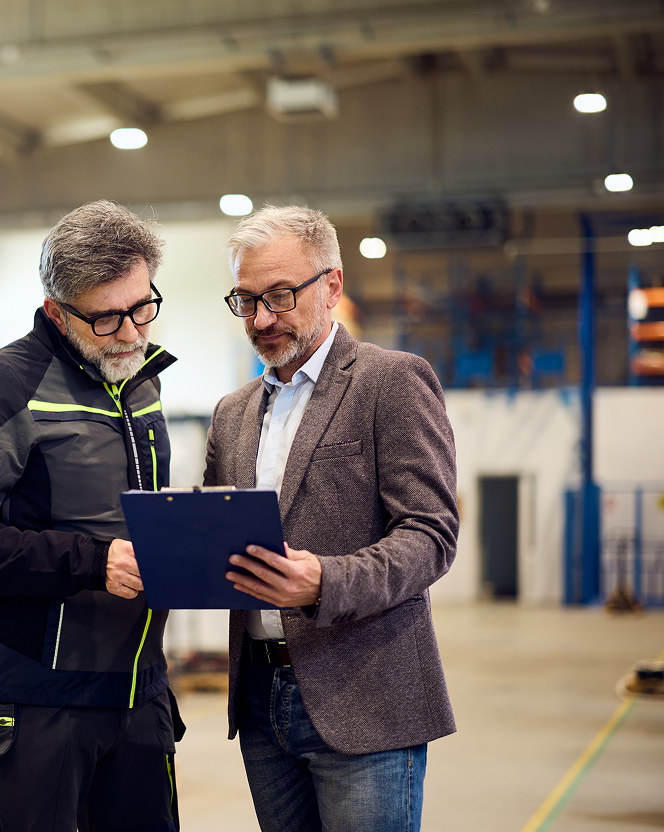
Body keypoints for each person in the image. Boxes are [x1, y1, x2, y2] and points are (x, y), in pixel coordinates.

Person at [0, 200, 183, 832]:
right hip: (38, 702)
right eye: (106, 318)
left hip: (139, 692)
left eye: (143, 306)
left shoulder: (139, 381)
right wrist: (93, 563)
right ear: (56, 313)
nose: (130, 333)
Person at [203, 205, 458, 832]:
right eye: (246, 299)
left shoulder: (390, 381)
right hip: (261, 700)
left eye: (282, 295)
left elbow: (431, 535)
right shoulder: (232, 413)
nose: (262, 318)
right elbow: (221, 536)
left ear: (333, 286)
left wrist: (326, 581)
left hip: (365, 695)